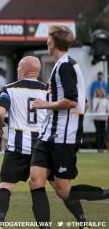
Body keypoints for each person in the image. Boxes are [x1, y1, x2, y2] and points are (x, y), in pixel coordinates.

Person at [0, 56, 88, 229]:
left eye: (18, 68)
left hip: (17, 147)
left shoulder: (9, 89)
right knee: (62, 189)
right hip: (44, 148)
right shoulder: (49, 91)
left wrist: (1, 125)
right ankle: (82, 221)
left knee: (5, 186)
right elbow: (82, 105)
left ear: (23, 70)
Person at [29, 25, 109, 227]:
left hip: (63, 137)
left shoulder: (65, 66)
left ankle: (105, 194)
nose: (47, 41)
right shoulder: (64, 65)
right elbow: (83, 102)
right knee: (35, 181)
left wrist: (44, 104)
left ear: (51, 42)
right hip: (48, 135)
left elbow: (72, 100)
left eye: (48, 38)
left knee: (64, 190)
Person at [92, 88, 109, 152]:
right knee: (98, 132)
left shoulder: (106, 100)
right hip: (97, 118)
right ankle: (98, 148)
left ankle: (102, 147)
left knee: (103, 133)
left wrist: (107, 118)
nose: (99, 93)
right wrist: (98, 104)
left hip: (103, 118)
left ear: (102, 93)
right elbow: (94, 109)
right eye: (98, 92)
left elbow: (107, 109)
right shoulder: (95, 99)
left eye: (100, 92)